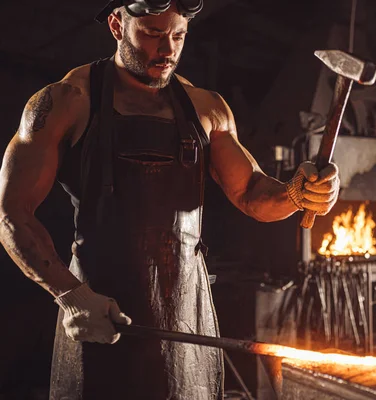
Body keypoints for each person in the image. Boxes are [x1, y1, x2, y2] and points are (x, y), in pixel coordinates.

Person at [0, 1, 340, 399]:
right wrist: (71, 296)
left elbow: (251, 194)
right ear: (116, 24)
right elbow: (11, 214)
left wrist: (297, 194)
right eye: (152, 34)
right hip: (98, 308)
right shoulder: (65, 101)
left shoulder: (206, 108)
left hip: (186, 313)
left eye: (178, 35)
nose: (168, 50)